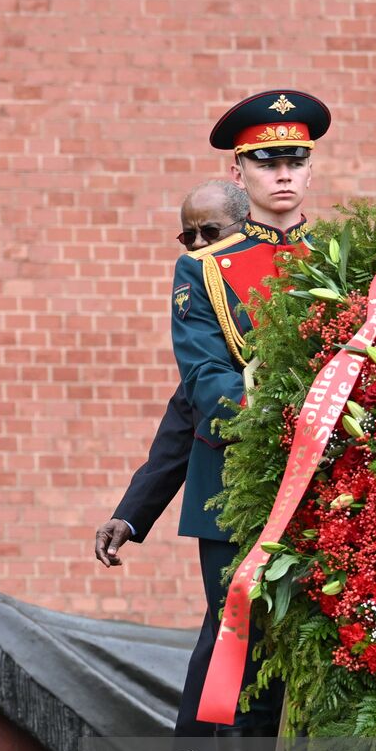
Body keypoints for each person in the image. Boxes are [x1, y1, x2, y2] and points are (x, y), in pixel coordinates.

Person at [125, 90, 365, 751]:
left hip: (334, 499)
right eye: (268, 160)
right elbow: (206, 385)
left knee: (319, 671)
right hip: (242, 492)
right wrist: (297, 411)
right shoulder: (207, 268)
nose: (285, 174)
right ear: (240, 170)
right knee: (239, 670)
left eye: (296, 159)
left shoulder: (346, 262)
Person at [94, 180, 248, 569]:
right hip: (228, 505)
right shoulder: (201, 288)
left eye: (210, 232)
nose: (197, 244)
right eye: (188, 236)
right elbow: (187, 414)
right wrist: (130, 513)